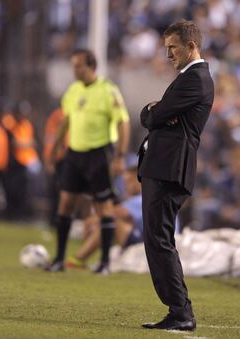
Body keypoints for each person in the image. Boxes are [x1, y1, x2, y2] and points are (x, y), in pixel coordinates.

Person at [137, 20, 214, 331]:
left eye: (173, 48)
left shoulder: (194, 79)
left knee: (159, 239)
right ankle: (178, 310)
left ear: (191, 46)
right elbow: (157, 116)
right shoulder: (189, 78)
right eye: (166, 48)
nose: (168, 54)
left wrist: (154, 113)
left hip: (169, 168)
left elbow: (154, 116)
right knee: (158, 238)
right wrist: (156, 114)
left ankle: (181, 312)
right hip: (164, 166)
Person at [46, 49, 130, 274]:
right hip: (74, 153)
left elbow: (123, 123)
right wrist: (55, 149)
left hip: (99, 153)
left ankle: (104, 263)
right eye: (73, 66)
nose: (74, 70)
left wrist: (120, 156)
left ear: (91, 66)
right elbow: (66, 121)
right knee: (65, 203)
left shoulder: (108, 91)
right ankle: (59, 259)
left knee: (103, 207)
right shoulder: (73, 91)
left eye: (78, 66)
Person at [66, 166, 143, 270]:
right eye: (125, 182)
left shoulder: (141, 199)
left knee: (110, 222)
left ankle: (78, 259)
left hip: (142, 241)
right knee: (107, 223)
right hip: (138, 237)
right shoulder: (138, 199)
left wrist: (92, 221)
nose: (126, 186)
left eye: (129, 181)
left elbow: (115, 213)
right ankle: (90, 260)